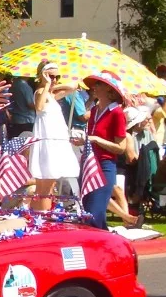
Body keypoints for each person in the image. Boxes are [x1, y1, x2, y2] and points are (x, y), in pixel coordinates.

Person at [74, 70, 129, 230]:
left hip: (105, 165)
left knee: (95, 213)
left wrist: (96, 139)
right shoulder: (95, 111)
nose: (94, 87)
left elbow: (121, 148)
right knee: (86, 213)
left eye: (98, 84)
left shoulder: (117, 113)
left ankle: (100, 246)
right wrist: (84, 141)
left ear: (109, 90)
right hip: (89, 164)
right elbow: (92, 139)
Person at [29, 61, 80, 211]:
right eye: (52, 76)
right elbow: (39, 107)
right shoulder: (40, 92)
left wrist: (51, 84)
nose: (55, 79)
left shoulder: (51, 94)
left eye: (58, 76)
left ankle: (36, 215)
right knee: (45, 185)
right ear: (43, 76)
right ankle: (42, 216)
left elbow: (72, 86)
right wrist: (46, 83)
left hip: (54, 139)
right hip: (47, 141)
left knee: (46, 186)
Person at [108, 107, 146, 228]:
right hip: (119, 168)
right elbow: (131, 158)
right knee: (119, 194)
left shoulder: (114, 132)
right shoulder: (127, 136)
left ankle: (128, 219)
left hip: (114, 166)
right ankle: (128, 219)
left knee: (117, 194)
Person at [6, 73, 36, 139]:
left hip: (16, 119)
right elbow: (30, 104)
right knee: (26, 145)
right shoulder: (24, 85)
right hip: (26, 120)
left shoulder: (14, 84)